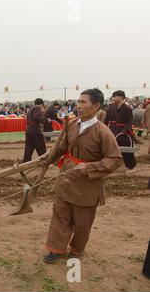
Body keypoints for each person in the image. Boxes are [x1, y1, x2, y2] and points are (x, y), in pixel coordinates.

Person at [43, 89, 122, 263]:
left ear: (96, 106)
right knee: (60, 214)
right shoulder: (72, 125)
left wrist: (89, 167)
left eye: (83, 102)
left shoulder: (103, 132)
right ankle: (56, 249)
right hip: (67, 176)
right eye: (78, 102)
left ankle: (77, 249)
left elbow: (115, 159)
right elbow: (62, 146)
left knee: (82, 222)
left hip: (87, 184)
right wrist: (49, 156)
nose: (78, 106)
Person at [105, 90, 137, 173]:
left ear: (121, 97)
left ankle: (131, 167)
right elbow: (106, 120)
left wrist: (125, 130)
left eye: (115, 96)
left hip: (123, 132)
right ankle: (110, 166)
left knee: (127, 149)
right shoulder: (111, 108)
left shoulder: (127, 109)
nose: (113, 98)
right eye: (113, 96)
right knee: (111, 149)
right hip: (113, 130)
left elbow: (129, 121)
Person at [23, 98, 47, 162]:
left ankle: (25, 163)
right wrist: (45, 119)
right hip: (35, 131)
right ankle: (44, 161)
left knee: (28, 150)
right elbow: (36, 116)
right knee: (41, 148)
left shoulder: (30, 109)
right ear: (41, 104)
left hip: (29, 131)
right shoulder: (38, 107)